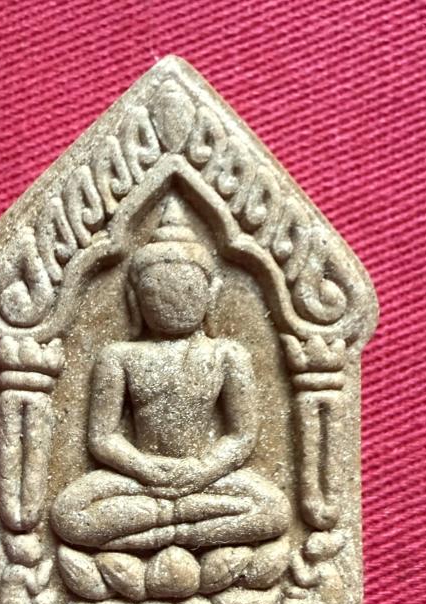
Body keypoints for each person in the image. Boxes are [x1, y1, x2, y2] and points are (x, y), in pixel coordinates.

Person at [51, 198, 290, 551]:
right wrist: (144, 468)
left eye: (188, 289)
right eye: (156, 291)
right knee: (69, 513)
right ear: (135, 299)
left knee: (275, 510)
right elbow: (103, 437)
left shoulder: (227, 354)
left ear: (211, 295)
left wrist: (203, 469)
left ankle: (163, 532)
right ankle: (184, 529)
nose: (173, 300)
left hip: (206, 478)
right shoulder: (119, 356)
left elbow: (241, 435)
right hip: (139, 480)